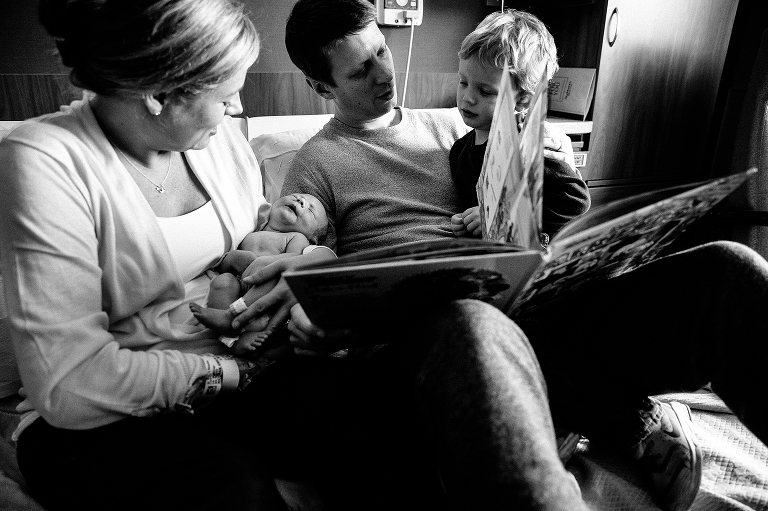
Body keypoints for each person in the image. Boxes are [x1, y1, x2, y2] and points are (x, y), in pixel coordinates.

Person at [228, 1, 768, 510]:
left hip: (534, 302)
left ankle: (594, 411)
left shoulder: (461, 122)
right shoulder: (316, 161)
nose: (383, 75)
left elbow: (540, 206)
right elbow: (300, 248)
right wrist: (310, 294)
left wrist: (554, 185)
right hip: (438, 330)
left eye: (382, 52)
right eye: (358, 72)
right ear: (321, 85)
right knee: (474, 319)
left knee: (728, 268)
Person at [0, 1, 335, 510]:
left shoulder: (219, 146)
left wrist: (308, 273)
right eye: (227, 96)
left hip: (239, 367)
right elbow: (70, 381)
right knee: (231, 487)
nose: (239, 108)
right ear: (159, 94)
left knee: (369, 416)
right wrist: (232, 374)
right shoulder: (43, 161)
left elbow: (265, 238)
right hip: (102, 409)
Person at [449, 10, 591, 243]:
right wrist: (466, 222)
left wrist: (503, 216)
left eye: (486, 91)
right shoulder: (459, 152)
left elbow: (575, 199)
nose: (468, 98)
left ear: (523, 99)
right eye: (463, 82)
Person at [191, 193, 328, 355]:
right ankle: (229, 333)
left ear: (313, 240)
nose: (300, 201)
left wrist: (257, 262)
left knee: (274, 274)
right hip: (239, 284)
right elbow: (224, 267)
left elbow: (290, 265)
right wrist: (233, 259)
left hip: (267, 288)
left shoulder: (296, 238)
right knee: (222, 282)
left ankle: (233, 320)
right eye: (296, 196)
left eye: (311, 211)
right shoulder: (253, 230)